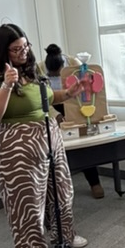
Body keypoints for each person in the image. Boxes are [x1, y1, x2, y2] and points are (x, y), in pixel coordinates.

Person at [0, 24, 88, 248]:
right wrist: (6, 85)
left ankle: (63, 236)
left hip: (47, 138)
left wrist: (68, 93)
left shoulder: (32, 70)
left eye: (26, 46)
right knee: (27, 204)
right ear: (3, 51)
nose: (23, 52)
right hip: (14, 147)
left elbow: (46, 98)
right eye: (16, 49)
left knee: (62, 192)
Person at [37, 43, 105, 199]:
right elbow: (43, 99)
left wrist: (75, 113)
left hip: (75, 104)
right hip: (53, 108)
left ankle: (94, 182)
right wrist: (57, 115)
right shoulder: (38, 69)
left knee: (83, 145)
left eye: (58, 73)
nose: (55, 76)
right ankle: (57, 191)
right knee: (54, 147)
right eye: (52, 74)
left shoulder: (73, 63)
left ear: (63, 64)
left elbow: (85, 88)